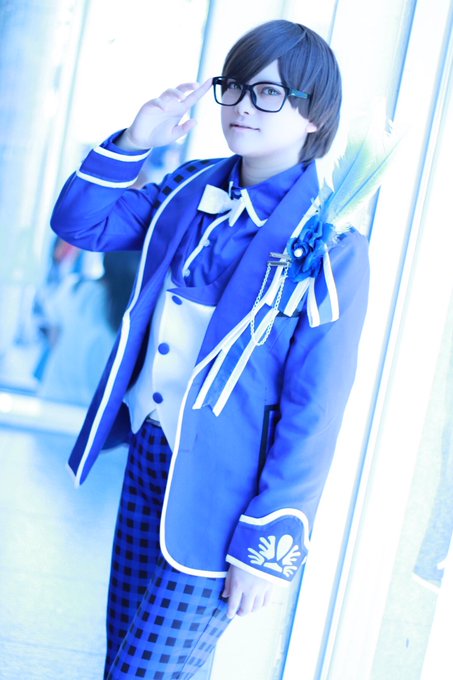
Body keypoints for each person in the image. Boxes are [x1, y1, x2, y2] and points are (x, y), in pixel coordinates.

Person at [51, 20, 370, 679]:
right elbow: (80, 223)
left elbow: (316, 409)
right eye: (235, 87)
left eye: (268, 94)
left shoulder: (332, 242)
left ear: (315, 115)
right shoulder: (188, 188)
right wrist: (136, 140)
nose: (242, 107)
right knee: (120, 660)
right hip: (148, 456)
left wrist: (268, 544)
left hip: (223, 504)